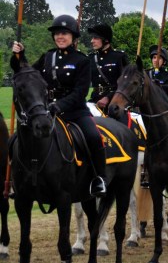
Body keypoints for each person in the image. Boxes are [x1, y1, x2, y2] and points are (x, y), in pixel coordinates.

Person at [11, 14, 107, 197]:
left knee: (94, 136)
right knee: (16, 140)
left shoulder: (82, 60)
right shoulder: (47, 57)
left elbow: (80, 93)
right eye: (57, 34)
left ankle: (99, 179)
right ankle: (19, 178)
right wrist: (18, 55)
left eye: (64, 33)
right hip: (45, 112)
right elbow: (27, 73)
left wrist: (59, 105)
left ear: (73, 37)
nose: (60, 37)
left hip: (75, 112)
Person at [87, 24, 128, 111]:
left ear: (105, 40)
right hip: (94, 102)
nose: (92, 41)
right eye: (92, 38)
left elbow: (125, 84)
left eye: (95, 38)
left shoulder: (119, 57)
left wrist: (108, 98)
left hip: (115, 105)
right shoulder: (90, 58)